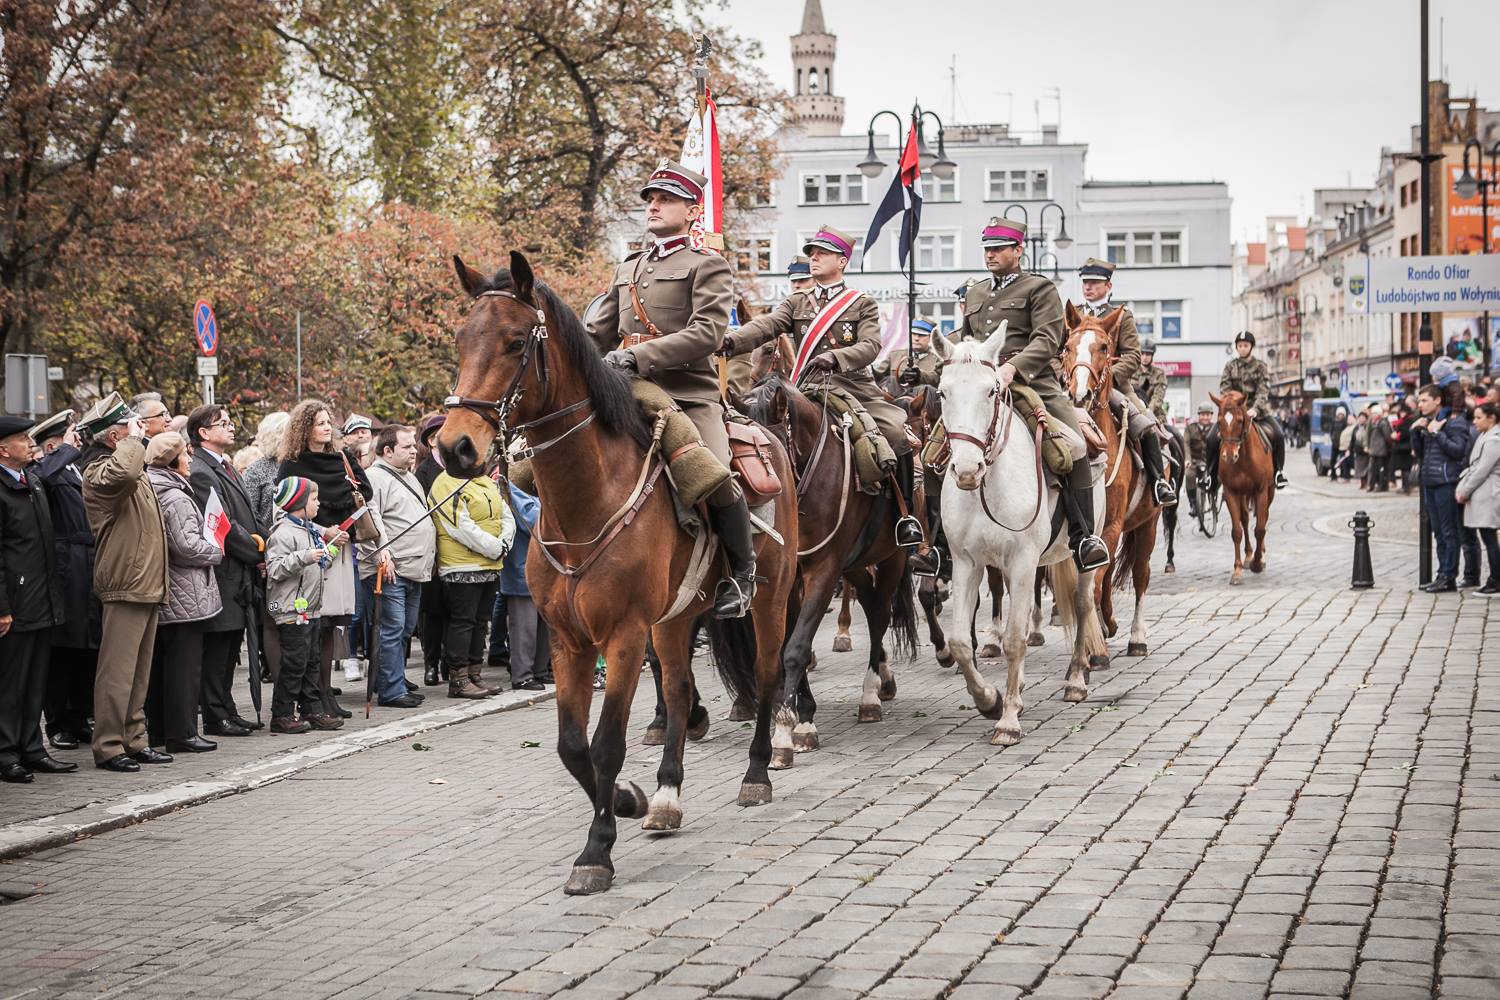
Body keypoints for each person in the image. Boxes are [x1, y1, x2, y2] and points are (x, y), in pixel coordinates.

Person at [587, 159, 763, 616]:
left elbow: (707, 333)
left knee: (715, 473)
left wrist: (638, 355)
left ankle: (742, 578)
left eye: (665, 199)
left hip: (689, 394)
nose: (653, 206)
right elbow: (598, 336)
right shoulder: (628, 267)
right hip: (627, 391)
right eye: (650, 199)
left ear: (692, 210)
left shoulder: (709, 265)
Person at [724, 222, 926, 552]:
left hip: (852, 386)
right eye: (812, 253)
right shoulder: (797, 302)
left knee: (894, 433)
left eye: (822, 253)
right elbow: (767, 326)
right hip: (805, 387)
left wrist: (837, 356)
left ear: (842, 261)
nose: (814, 258)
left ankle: (905, 517)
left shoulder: (861, 303)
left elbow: (871, 345)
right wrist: (732, 341)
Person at [946, 217, 1108, 569]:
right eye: (987, 248)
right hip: (984, 384)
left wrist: (1012, 367)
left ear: (1017, 250)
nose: (990, 254)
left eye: (998, 248)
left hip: (1034, 384)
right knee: (935, 446)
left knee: (1076, 445)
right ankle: (937, 543)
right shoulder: (975, 293)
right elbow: (967, 343)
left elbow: (1048, 339)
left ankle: (1084, 537)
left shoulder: (1039, 288)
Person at [79, 392, 171, 772]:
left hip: (145, 581)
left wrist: (132, 442)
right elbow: (125, 473)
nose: (140, 432)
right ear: (114, 437)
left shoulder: (130, 464)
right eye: (129, 428)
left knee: (138, 673)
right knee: (116, 672)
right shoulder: (99, 471)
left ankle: (134, 738)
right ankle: (109, 745)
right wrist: (134, 441)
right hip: (125, 581)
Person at [278, 400, 370, 719]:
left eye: (329, 421)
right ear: (305, 428)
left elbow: (365, 491)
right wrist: (324, 530)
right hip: (312, 547)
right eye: (319, 423)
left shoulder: (339, 457)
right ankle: (312, 697)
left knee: (333, 625)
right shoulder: (292, 464)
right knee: (315, 623)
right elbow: (284, 509)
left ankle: (327, 693)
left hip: (342, 547)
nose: (327, 427)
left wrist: (345, 518)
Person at [186, 403, 267, 738]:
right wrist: (255, 551)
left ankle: (227, 710)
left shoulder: (225, 466)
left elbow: (246, 514)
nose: (231, 427)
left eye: (230, 422)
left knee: (231, 646)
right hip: (226, 570)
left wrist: (264, 542)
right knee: (219, 648)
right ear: (203, 433)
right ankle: (216, 716)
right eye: (222, 423)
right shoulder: (201, 470)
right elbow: (222, 525)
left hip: (240, 571)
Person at [0, 414, 72, 783]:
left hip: (42, 597)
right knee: (11, 683)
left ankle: (32, 747)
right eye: (22, 439)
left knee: (35, 681)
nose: (31, 444)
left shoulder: (32, 481)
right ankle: (6, 752)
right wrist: (2, 608)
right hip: (16, 600)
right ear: (3, 449)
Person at [143, 432, 223, 753]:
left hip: (171, 591)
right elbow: (187, 546)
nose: (190, 459)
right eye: (185, 455)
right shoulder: (175, 497)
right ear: (173, 460)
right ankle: (183, 732)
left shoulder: (157, 487)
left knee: (167, 664)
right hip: (184, 592)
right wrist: (216, 548)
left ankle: (161, 731)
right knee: (184, 667)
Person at [1076, 257, 1175, 507]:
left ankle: (1157, 482)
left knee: (1146, 425)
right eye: (1085, 282)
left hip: (1114, 388)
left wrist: (1105, 377)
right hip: (1077, 385)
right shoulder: (1074, 314)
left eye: (1094, 283)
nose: (1088, 287)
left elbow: (1133, 356)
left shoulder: (1122, 317)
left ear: (1108, 286)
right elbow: (1059, 353)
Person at [30, 411, 100, 751]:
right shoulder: (48, 468)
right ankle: (58, 722)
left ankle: (79, 715)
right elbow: (41, 475)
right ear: (54, 444)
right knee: (64, 649)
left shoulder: (75, 469)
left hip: (87, 562)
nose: (80, 441)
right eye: (73, 436)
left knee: (86, 646)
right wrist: (62, 452)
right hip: (67, 565)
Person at [358, 424, 434, 709]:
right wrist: (381, 555)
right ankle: (391, 690)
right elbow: (369, 521)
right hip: (390, 568)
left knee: (403, 630)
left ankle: (393, 680)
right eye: (407, 446)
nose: (414, 450)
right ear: (387, 450)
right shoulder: (375, 478)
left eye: (414, 445)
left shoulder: (410, 477)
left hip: (413, 568)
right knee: (391, 628)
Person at [429, 461, 513, 699]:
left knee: (480, 621)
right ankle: (459, 679)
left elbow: (505, 514)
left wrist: (504, 542)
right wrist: (495, 547)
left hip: (491, 563)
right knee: (463, 621)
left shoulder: (486, 480)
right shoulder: (446, 482)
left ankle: (475, 674)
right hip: (461, 565)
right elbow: (459, 526)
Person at [264, 477, 341, 733]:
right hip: (290, 609)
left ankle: (312, 709)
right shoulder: (283, 532)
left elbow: (317, 566)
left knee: (311, 660)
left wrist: (329, 554)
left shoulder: (308, 529)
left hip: (310, 607)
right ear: (298, 503)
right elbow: (275, 568)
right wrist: (305, 556)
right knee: (294, 661)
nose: (318, 504)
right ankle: (282, 713)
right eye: (314, 499)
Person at [1203, 331, 1289, 493]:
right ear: (1236, 347)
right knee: (1210, 439)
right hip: (1234, 414)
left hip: (1258, 413)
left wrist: (1254, 409)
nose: (1242, 348)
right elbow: (1225, 388)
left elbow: (1263, 391)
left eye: (1246, 345)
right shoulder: (1230, 366)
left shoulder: (1261, 366)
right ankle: (1210, 476)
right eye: (1240, 346)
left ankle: (1278, 472)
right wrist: (1233, 405)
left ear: (1251, 347)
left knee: (1278, 435)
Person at [1412, 382, 1472, 593]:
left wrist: (1437, 433)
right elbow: (1420, 453)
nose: (1420, 404)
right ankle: (1441, 574)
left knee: (1449, 532)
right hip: (1430, 481)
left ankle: (1449, 576)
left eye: (1424, 400)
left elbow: (1458, 451)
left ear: (1437, 400)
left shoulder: (1454, 422)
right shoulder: (1430, 421)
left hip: (1446, 482)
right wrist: (1417, 432)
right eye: (1419, 400)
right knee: (1437, 532)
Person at [501, 482, 549, 691]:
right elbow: (532, 519)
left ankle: (540, 671)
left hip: (543, 571)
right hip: (522, 568)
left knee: (543, 626)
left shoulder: (529, 489)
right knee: (524, 627)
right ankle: (522, 675)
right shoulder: (508, 488)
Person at [414, 414, 448, 686]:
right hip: (433, 549)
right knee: (432, 611)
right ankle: (431, 663)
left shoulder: (463, 466)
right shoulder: (423, 471)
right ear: (430, 439)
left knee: (456, 610)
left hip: (460, 550)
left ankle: (451, 662)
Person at [1457, 401, 1500, 594]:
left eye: (1478, 417)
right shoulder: (1486, 436)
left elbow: (1481, 470)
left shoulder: (1494, 440)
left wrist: (1465, 490)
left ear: (1491, 418)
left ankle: (1496, 580)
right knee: (1487, 537)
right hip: (1484, 492)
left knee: (1489, 538)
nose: (1474, 421)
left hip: (1488, 493)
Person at [242, 412, 291, 533]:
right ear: (278, 435)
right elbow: (249, 515)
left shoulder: (299, 464)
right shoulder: (255, 471)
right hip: (270, 543)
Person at [873, 318, 941, 388]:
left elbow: (937, 379)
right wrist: (868, 368)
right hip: (895, 397)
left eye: (921, 335)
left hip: (922, 397)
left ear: (930, 337)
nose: (916, 338)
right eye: (913, 334)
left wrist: (920, 375)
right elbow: (878, 376)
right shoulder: (894, 355)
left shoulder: (937, 360)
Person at [1184, 402, 1216, 518]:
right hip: (1194, 461)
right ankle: (1193, 503)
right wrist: (1187, 460)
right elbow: (1186, 445)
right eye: (1203, 415)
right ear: (1199, 415)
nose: (1205, 417)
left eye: (1208, 415)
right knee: (1189, 475)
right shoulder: (1190, 428)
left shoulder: (1215, 428)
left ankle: (1214, 496)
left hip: (1210, 462)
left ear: (1211, 416)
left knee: (1217, 478)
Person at [1368, 404, 1393, 492]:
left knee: (1381, 469)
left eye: (1373, 414)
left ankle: (1382, 486)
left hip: (1381, 451)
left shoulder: (1383, 423)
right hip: (1375, 450)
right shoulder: (1374, 423)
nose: (1372, 416)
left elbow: (1387, 436)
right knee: (1375, 469)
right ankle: (1376, 484)